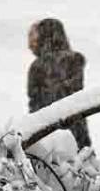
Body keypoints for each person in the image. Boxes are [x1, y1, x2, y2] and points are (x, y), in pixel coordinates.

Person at [27, 18, 91, 150]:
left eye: (33, 37)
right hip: (77, 134)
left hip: (46, 134)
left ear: (45, 37)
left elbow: (35, 106)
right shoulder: (74, 61)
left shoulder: (38, 67)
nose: (30, 45)